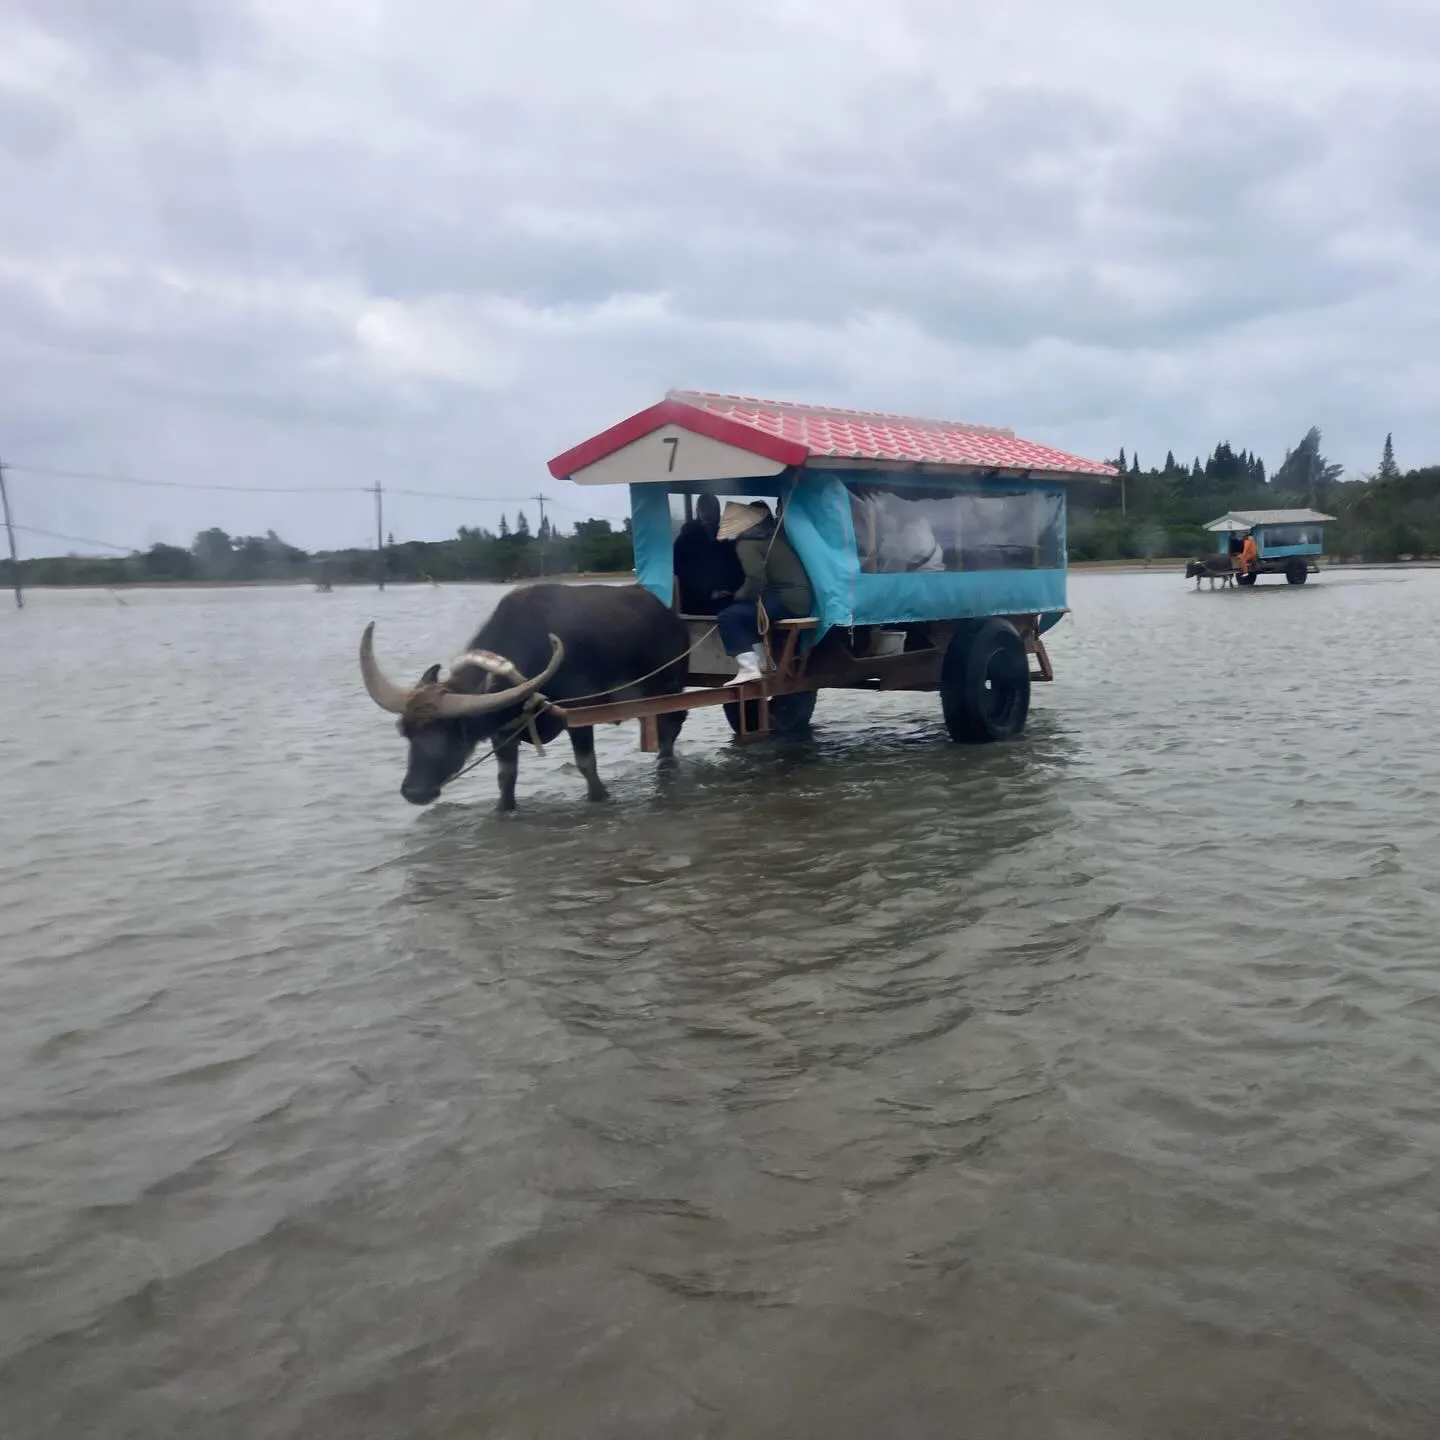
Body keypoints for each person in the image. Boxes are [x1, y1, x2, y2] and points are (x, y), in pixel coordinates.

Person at [714, 501, 814, 683]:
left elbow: (755, 579)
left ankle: (749, 667)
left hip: (786, 601)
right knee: (748, 616)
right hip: (802, 599)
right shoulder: (772, 536)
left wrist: (738, 596)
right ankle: (761, 663)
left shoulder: (748, 543)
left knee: (729, 616)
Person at [672, 493, 743, 614]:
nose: (709, 513)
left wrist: (733, 589)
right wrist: (708, 593)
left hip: (727, 598)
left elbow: (734, 568)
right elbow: (682, 574)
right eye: (705, 508)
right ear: (698, 511)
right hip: (697, 603)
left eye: (713, 508)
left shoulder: (723, 540)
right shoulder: (686, 539)